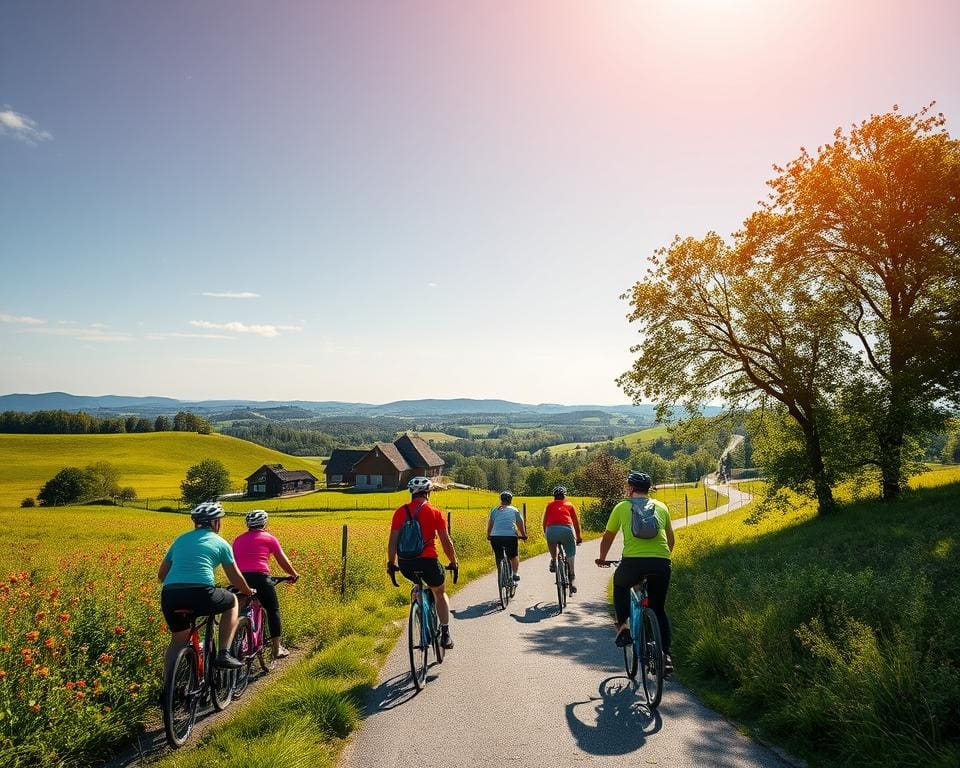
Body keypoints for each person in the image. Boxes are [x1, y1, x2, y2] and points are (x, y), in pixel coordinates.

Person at [158, 501, 255, 673]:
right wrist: (248, 591)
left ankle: (168, 691)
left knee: (178, 641)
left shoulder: (180, 540)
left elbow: (162, 576)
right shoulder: (221, 542)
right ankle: (224, 652)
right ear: (215, 523)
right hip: (201, 593)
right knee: (232, 600)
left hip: (170, 595)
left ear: (195, 523)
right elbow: (234, 577)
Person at [596, 470, 676, 675]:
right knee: (658, 610)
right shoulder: (661, 507)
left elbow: (608, 537)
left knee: (620, 584)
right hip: (661, 563)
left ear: (630, 488)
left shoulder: (622, 507)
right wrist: (662, 559)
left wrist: (603, 558)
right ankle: (665, 656)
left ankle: (623, 627)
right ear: (648, 489)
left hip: (633, 563)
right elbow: (670, 539)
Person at [387, 477, 459, 649]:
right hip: (428, 562)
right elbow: (446, 543)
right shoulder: (435, 512)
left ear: (411, 492)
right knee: (439, 592)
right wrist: (453, 562)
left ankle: (418, 605)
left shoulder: (400, 512)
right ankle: (445, 633)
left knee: (417, 584)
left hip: (406, 564)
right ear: (429, 493)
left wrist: (391, 563)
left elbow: (392, 542)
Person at [232, 510, 300, 660]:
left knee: (238, 610)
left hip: (239, 578)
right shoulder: (269, 538)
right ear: (265, 523)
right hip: (260, 578)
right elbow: (283, 561)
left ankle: (234, 643)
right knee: (272, 609)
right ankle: (277, 649)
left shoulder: (237, 540)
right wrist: (293, 574)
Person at [542, 485, 583, 594]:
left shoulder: (549, 505)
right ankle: (572, 577)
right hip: (567, 530)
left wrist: (546, 534)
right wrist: (578, 537)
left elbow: (544, 522)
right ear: (564, 496)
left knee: (552, 544)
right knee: (570, 552)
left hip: (551, 530)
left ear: (554, 496)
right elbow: (575, 523)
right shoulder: (569, 505)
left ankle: (554, 560)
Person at [487, 490, 527, 583]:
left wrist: (488, 535)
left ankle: (501, 575)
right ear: (510, 500)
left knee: (499, 556)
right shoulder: (514, 510)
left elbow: (490, 525)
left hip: (495, 537)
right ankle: (515, 574)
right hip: (510, 536)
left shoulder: (494, 510)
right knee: (513, 556)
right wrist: (524, 535)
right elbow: (520, 524)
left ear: (501, 500)